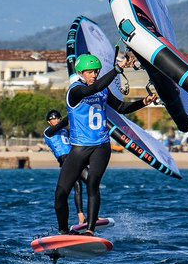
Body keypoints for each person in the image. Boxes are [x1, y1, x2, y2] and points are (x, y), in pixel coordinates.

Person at [55, 51, 156, 236]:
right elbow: (89, 91)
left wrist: (144, 101)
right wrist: (117, 69)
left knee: (93, 184)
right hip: (79, 148)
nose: (94, 75)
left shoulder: (102, 89)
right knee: (61, 193)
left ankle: (90, 231)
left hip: (101, 146)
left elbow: (121, 108)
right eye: (90, 72)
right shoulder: (75, 91)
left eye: (96, 71)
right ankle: (63, 232)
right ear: (80, 73)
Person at [44, 109, 89, 226]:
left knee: (92, 181)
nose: (54, 120)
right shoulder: (49, 132)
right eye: (51, 119)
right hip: (65, 160)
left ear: (59, 118)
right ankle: (81, 217)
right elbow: (63, 123)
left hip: (76, 157)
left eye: (56, 118)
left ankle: (92, 215)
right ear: (49, 122)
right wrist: (75, 112)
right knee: (77, 185)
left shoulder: (66, 130)